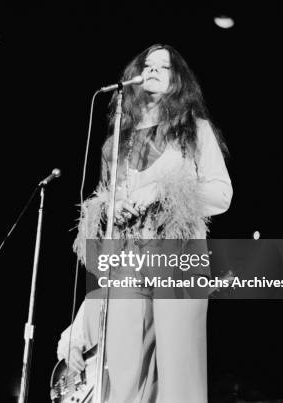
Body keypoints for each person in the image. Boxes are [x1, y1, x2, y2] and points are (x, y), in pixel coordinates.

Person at [69, 44, 233, 403]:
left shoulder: (195, 130)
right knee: (124, 370)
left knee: (178, 371)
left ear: (178, 80)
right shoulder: (117, 142)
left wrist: (164, 191)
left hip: (177, 255)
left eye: (165, 66)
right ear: (135, 75)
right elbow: (107, 199)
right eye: (148, 65)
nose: (155, 70)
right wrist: (112, 209)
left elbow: (222, 195)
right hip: (128, 258)